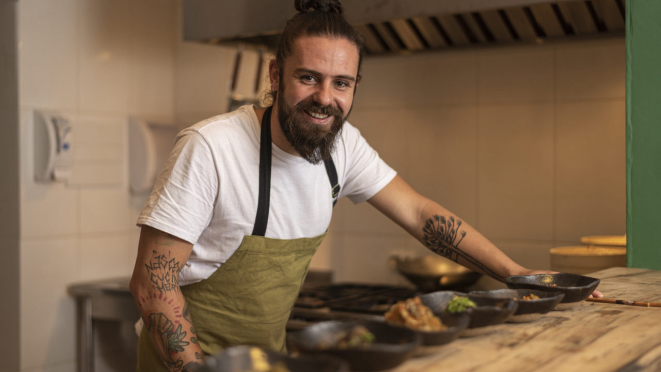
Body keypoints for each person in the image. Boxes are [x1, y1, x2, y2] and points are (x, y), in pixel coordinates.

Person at [129, 0, 602, 370]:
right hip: (183, 363)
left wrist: (522, 278)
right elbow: (154, 283)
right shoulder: (212, 147)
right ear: (275, 75)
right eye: (308, 78)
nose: (324, 98)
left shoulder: (343, 147)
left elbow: (420, 215)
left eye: (342, 84)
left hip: (266, 361)